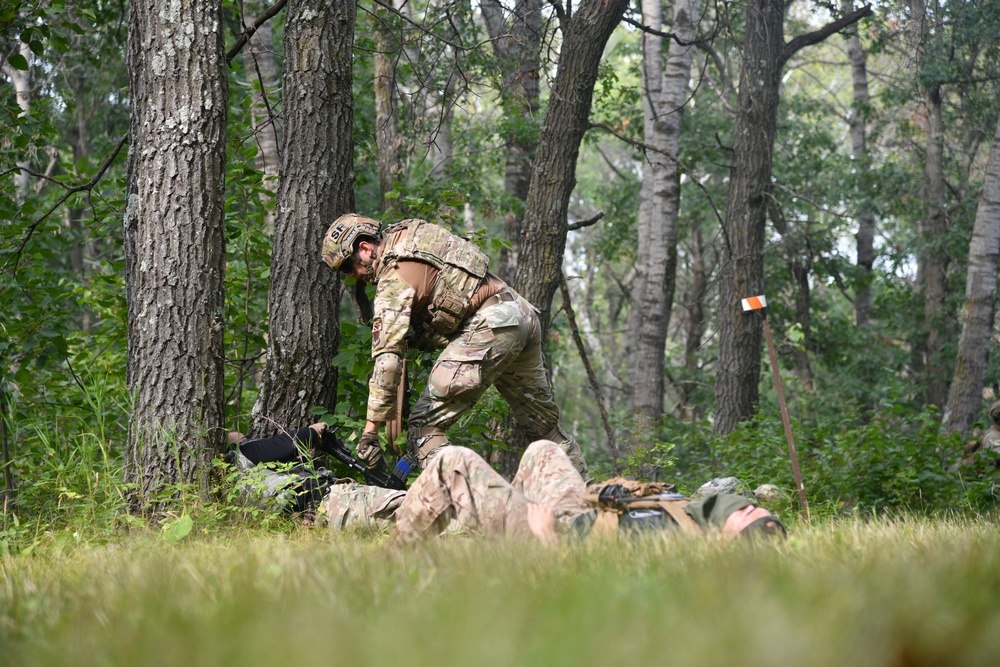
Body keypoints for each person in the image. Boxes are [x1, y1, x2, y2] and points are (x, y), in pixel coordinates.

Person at [320, 213, 587, 476]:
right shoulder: (413, 235)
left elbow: (387, 362)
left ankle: (473, 507)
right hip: (519, 313)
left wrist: (370, 432)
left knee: (424, 429)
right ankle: (587, 505)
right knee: (544, 427)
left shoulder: (393, 277)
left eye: (348, 266)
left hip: (489, 327)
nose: (352, 275)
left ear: (365, 248)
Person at [389, 440, 786, 546]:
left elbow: (593, 589)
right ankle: (496, 534)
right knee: (543, 450)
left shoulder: (679, 555)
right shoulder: (696, 518)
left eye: (749, 515)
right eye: (752, 508)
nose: (749, 508)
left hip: (552, 538)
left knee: (452, 462)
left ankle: (391, 565)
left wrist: (546, 540)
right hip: (580, 516)